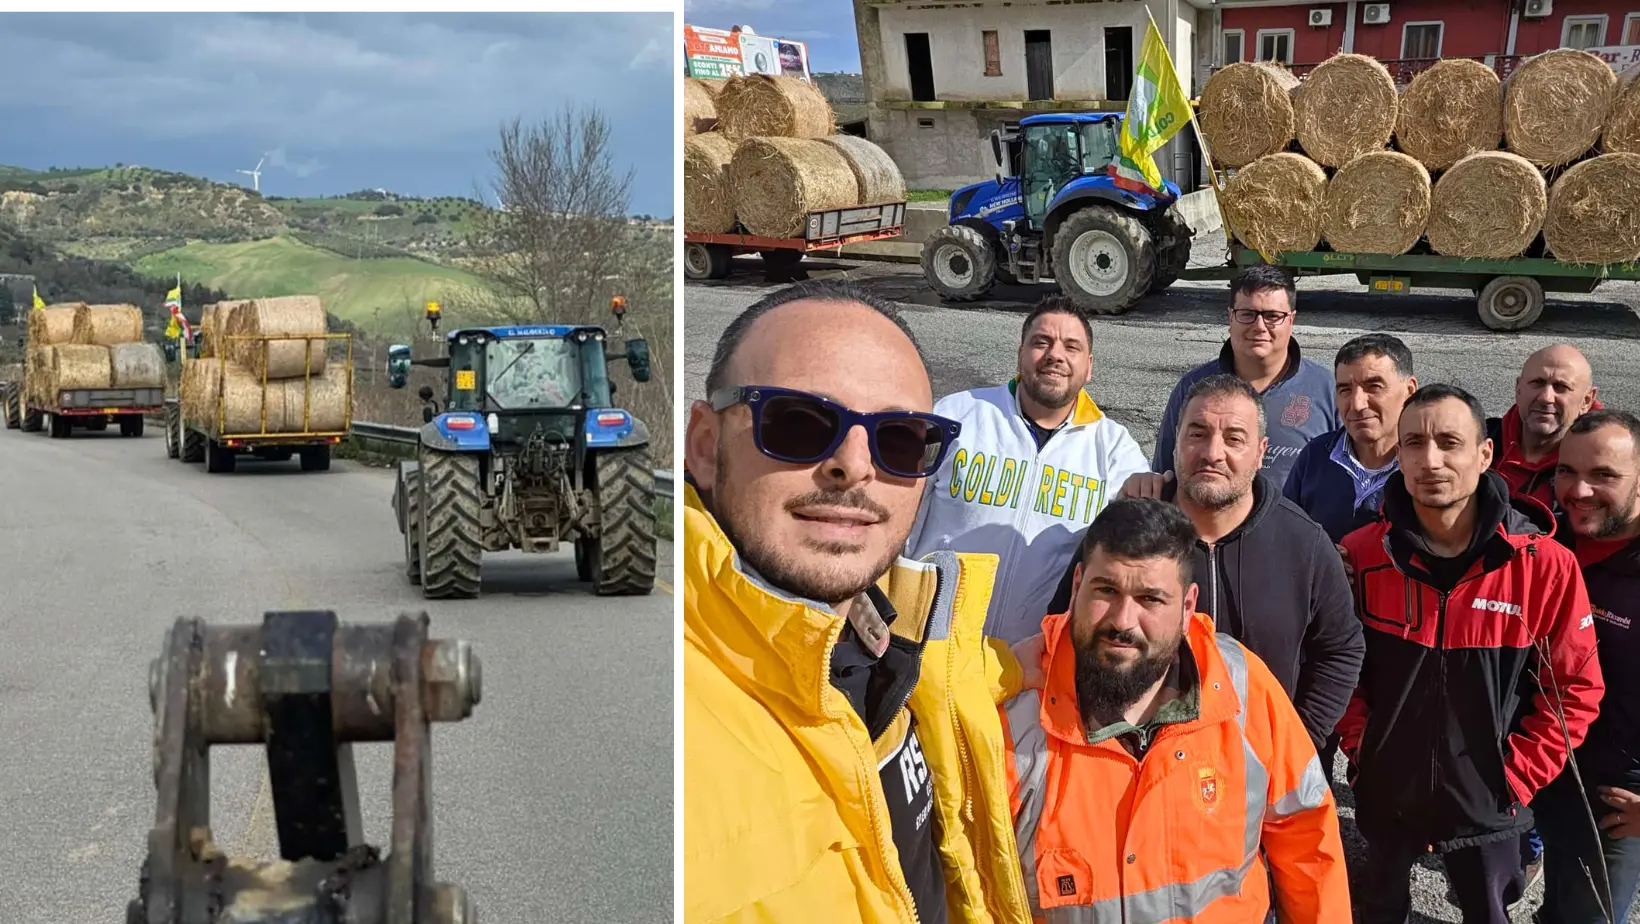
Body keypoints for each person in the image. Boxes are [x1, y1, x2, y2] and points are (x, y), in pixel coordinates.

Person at [682, 279, 1038, 924]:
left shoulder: (899, 638)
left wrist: (1038, 657)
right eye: (796, 424)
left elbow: (961, 677)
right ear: (705, 447)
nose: (854, 464)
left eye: (899, 438)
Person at [1000, 497, 1352, 922]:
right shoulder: (1016, 715)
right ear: (1077, 586)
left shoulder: (1241, 686)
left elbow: (1306, 835)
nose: (1123, 621)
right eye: (1106, 590)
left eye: (1151, 599)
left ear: (1188, 607)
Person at [1336, 384, 1604, 924]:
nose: (1430, 460)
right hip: (1386, 792)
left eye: (1449, 442)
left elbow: (1575, 691)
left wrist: (1514, 779)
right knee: (1378, 908)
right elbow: (1340, 667)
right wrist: (1363, 747)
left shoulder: (1543, 565)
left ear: (1485, 454)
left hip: (1491, 806)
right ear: (1399, 454)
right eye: (1413, 443)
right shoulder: (1361, 554)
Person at [1054, 374, 1363, 752]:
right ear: (1175, 442)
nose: (1213, 452)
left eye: (1234, 438)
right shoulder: (1122, 533)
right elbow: (1063, 629)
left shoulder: (1305, 543)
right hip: (1133, 776)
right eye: (1197, 433)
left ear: (1262, 451)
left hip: (1260, 778)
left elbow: (1341, 649)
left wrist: (1297, 741)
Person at [906, 296, 1150, 643]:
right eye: (1041, 342)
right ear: (1021, 353)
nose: (1055, 355)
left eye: (1071, 346)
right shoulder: (957, 415)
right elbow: (899, 518)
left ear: (1089, 366)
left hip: (1032, 663)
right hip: (927, 646)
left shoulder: (1115, 450)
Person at [1534, 409, 1640, 924]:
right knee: (1558, 902)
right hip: (1550, 767)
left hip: (1619, 797)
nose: (1578, 490)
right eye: (1567, 471)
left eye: (1604, 475)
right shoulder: (1550, 541)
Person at [1150, 264, 1338, 492]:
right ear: (1231, 317)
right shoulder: (1193, 387)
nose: (1259, 326)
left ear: (1291, 320)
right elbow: (1165, 475)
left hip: (1293, 527)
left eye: (1272, 316)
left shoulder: (1327, 389)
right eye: (1247, 314)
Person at [1283, 333, 1419, 544]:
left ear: (1409, 391)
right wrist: (1322, 561)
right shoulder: (1316, 456)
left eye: (1374, 387)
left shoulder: (1428, 463)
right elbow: (1285, 535)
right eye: (1345, 390)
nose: (1357, 404)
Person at [1486, 343, 1601, 511]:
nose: (1546, 398)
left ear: (1586, 400)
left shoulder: (1603, 465)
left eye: (1561, 387)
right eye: (1537, 383)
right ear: (1518, 389)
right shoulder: (1479, 441)